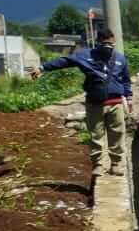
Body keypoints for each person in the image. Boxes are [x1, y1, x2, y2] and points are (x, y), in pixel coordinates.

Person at [33, 27, 131, 175]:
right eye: (104, 44)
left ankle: (115, 164)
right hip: (95, 103)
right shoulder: (86, 55)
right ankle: (98, 164)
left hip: (115, 103)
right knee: (96, 135)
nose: (107, 47)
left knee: (117, 134)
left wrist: (129, 98)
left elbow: (126, 80)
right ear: (98, 42)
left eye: (110, 44)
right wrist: (42, 68)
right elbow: (64, 61)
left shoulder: (120, 59)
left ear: (114, 42)